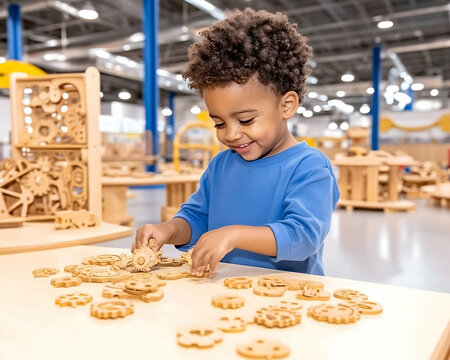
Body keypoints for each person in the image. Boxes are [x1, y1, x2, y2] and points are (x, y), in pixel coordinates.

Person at [132, 8, 340, 277]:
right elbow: (197, 218)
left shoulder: (309, 167)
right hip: (221, 292)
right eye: (219, 123)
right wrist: (168, 230)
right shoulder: (221, 165)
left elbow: (303, 237)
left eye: (245, 121)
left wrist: (234, 235)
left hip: (288, 299)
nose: (230, 135)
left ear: (286, 105)